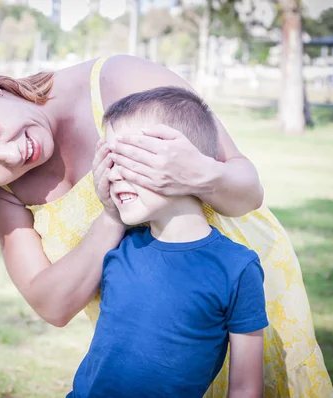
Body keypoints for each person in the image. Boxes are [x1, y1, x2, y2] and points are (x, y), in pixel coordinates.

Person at [0, 55, 333, 396]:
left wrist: (200, 174)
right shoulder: (2, 194)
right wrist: (109, 217)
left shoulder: (118, 82)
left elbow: (248, 189)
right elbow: (52, 303)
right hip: (154, 356)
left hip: (241, 298)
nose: (11, 156)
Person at [67, 86, 269, 398]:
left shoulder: (237, 268)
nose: (116, 175)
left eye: (133, 159)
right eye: (110, 160)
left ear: (186, 162)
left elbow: (245, 387)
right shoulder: (120, 249)